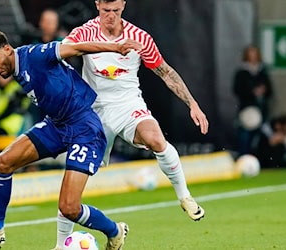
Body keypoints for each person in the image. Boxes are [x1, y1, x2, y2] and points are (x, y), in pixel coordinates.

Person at [0, 29, 141, 249]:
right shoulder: (16, 70)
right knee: (2, 162)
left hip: (83, 126)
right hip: (56, 125)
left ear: (7, 49)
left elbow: (76, 47)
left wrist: (116, 47)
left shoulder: (36, 54)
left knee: (69, 208)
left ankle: (115, 230)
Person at [51, 1, 210, 248]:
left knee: (157, 140)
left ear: (123, 5)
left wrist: (193, 104)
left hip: (128, 106)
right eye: (106, 11)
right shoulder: (84, 32)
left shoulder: (139, 37)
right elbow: (61, 53)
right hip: (93, 113)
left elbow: (165, 73)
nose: (110, 16)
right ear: (97, 5)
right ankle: (61, 244)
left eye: (115, 11)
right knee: (73, 186)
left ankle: (185, 197)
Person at [233, 45, 273, 155]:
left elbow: (270, 90)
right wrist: (252, 92)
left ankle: (260, 159)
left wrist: (263, 91)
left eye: (255, 53)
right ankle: (244, 158)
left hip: (261, 110)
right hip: (246, 109)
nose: (253, 56)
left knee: (261, 136)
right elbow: (237, 90)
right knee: (245, 135)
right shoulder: (241, 72)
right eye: (250, 54)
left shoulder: (262, 71)